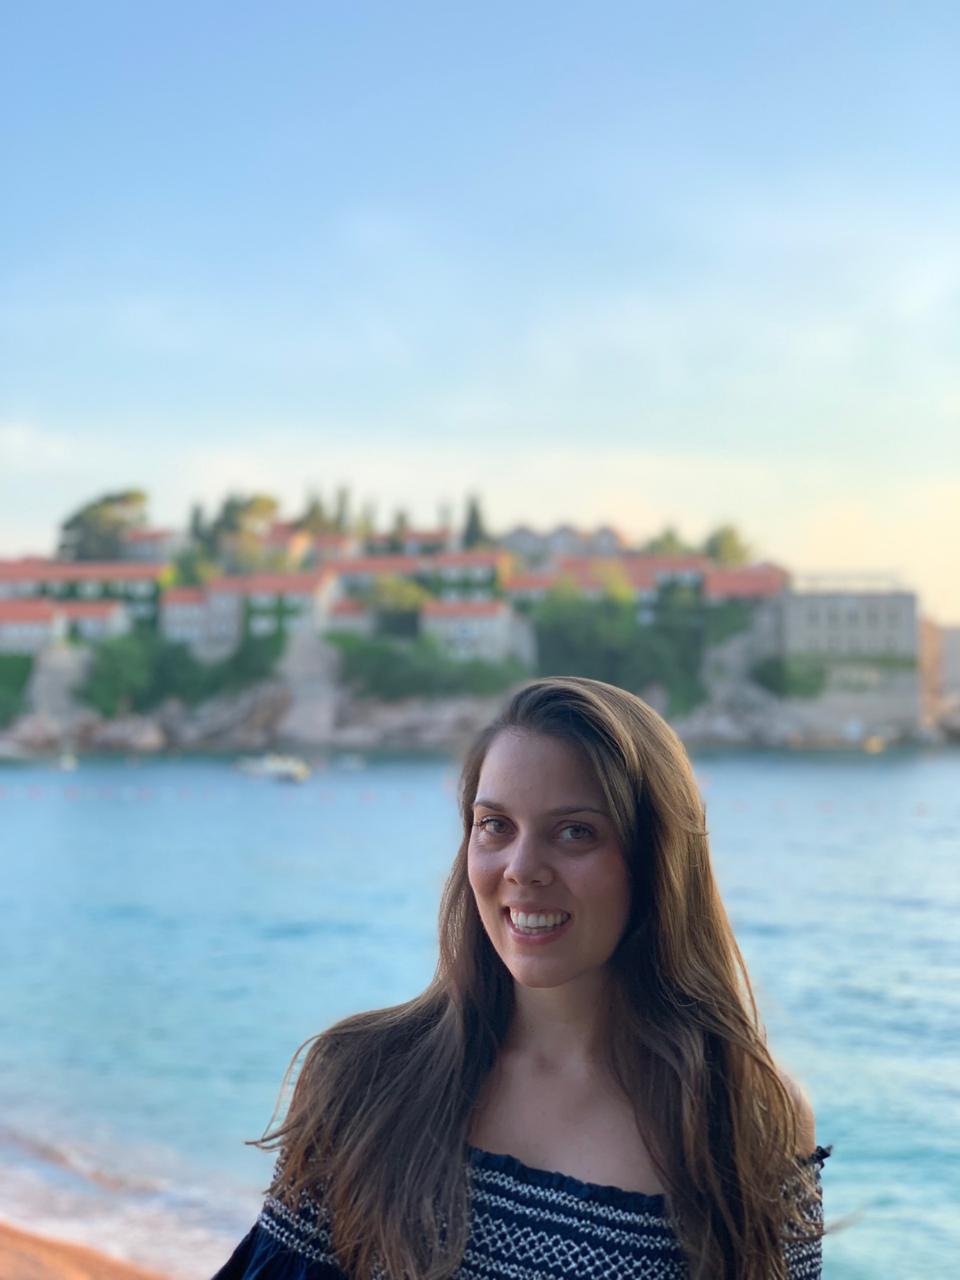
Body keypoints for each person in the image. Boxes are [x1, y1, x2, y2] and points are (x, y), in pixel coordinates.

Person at [214, 676, 829, 1280]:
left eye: (575, 832)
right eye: (495, 825)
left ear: (656, 860)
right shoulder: (361, 1079)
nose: (522, 868)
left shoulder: (746, 1116)